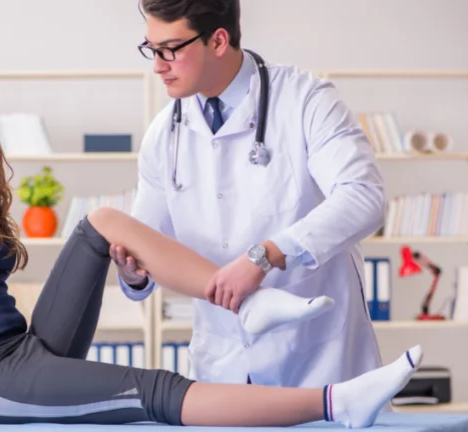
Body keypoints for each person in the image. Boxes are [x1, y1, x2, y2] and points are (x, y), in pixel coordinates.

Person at [0, 83, 421, 430]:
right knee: (157, 391)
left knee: (101, 224)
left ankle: (244, 302)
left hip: (20, 352)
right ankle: (335, 404)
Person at [112, 0, 387, 388]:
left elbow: (364, 197)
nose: (157, 65)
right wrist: (133, 272)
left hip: (318, 359)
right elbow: (148, 241)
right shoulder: (164, 134)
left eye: (170, 49)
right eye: (151, 49)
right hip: (224, 365)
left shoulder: (307, 100)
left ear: (218, 41)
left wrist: (266, 255)